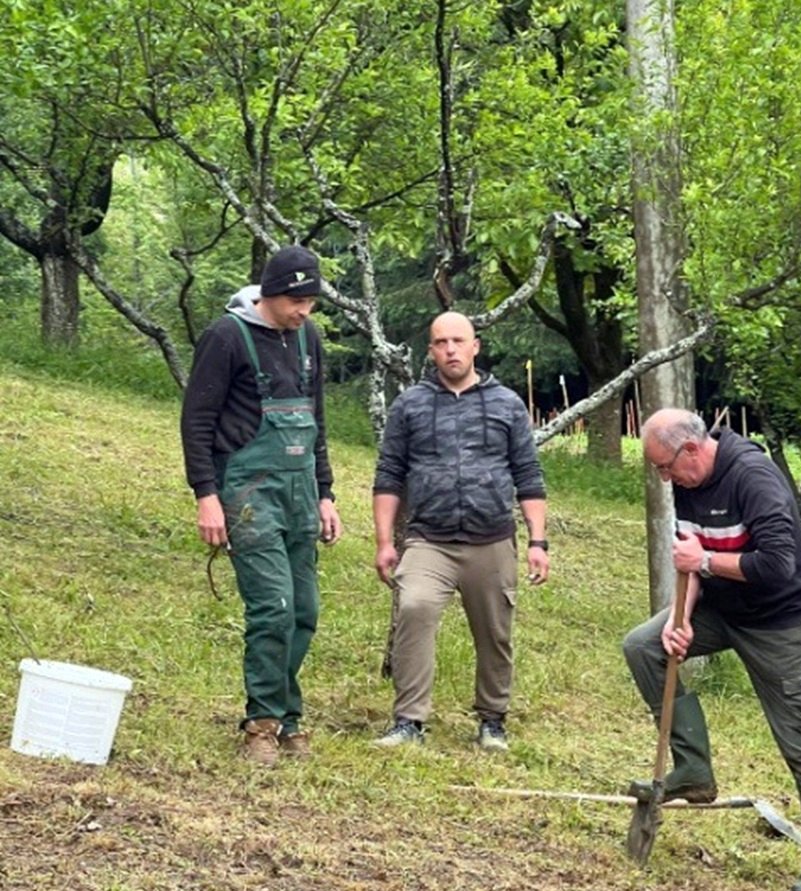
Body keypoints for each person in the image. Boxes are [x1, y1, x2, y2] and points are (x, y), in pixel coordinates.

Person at [622, 408, 801, 891]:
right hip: (720, 609)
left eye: (665, 467)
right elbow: (689, 557)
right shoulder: (688, 478)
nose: (664, 478)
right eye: (658, 470)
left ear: (691, 450)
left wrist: (702, 559)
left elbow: (778, 565)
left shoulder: (754, 479)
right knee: (643, 645)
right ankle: (694, 770)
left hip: (776, 621)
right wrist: (680, 619)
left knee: (798, 738)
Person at [180, 245, 343, 765]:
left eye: (311, 302)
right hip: (247, 494)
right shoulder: (226, 336)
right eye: (297, 301)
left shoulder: (308, 338)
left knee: (304, 610)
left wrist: (326, 493)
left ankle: (287, 718)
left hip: (301, 492)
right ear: (270, 293)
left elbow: (316, 420)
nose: (304, 311)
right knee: (274, 608)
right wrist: (206, 495)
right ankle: (263, 724)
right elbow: (196, 421)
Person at [371, 310, 550, 751]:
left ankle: (492, 719)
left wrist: (538, 542)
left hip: (491, 539)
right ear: (431, 351)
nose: (450, 350)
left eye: (458, 341)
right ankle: (409, 721)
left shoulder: (507, 403)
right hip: (428, 539)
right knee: (414, 608)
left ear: (475, 346)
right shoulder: (410, 405)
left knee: (495, 632)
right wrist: (384, 541)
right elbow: (389, 474)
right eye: (440, 343)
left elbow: (528, 475)